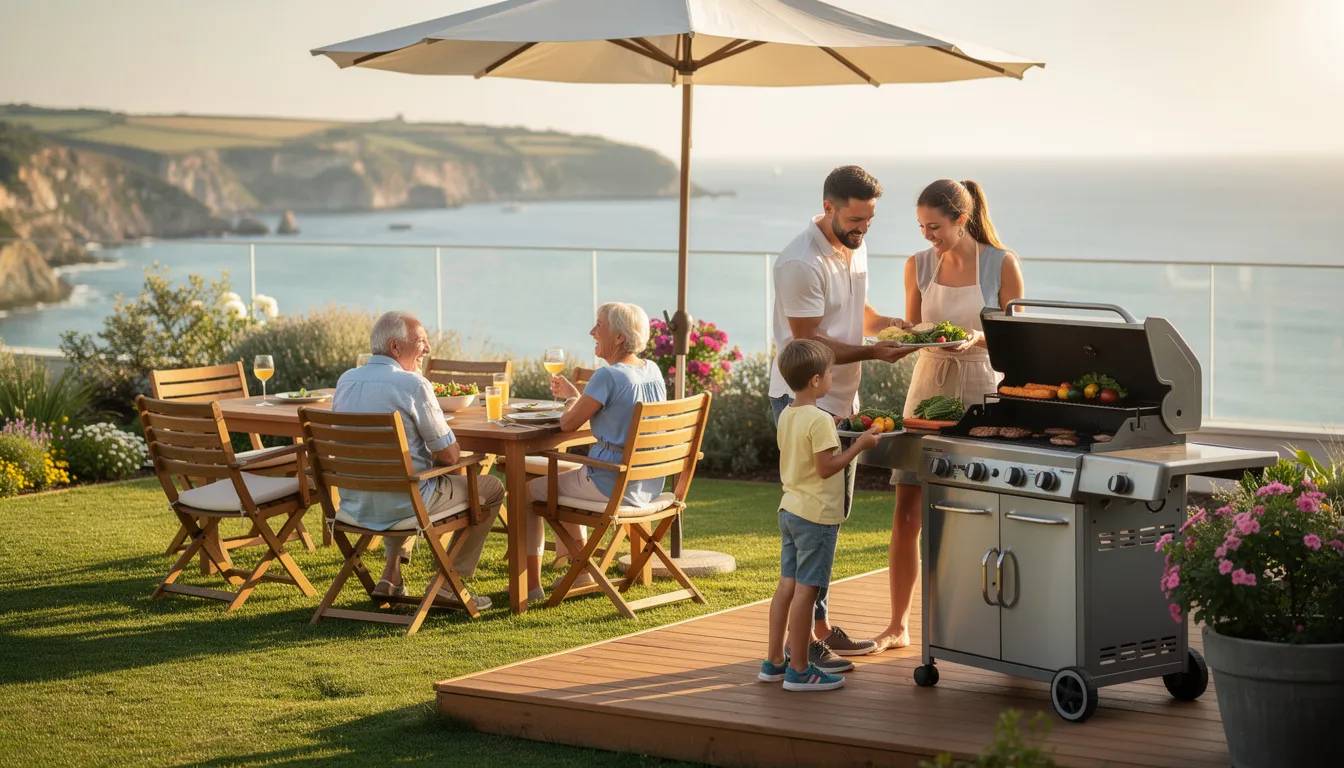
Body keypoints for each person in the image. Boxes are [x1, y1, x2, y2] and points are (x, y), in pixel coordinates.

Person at [769, 164, 916, 668]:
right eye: (856, 218)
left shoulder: (852, 245)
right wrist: (875, 354)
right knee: (813, 517)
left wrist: (887, 324)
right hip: (807, 401)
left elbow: (852, 307)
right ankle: (805, 643)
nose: (864, 228)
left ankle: (818, 630)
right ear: (828, 206)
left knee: (830, 517)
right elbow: (810, 342)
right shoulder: (799, 263)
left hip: (842, 401)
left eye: (870, 219)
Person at [872, 179, 1026, 652]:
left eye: (935, 226)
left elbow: (1016, 342)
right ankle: (898, 625)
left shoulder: (1001, 263)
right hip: (928, 385)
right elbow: (919, 328)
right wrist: (901, 334)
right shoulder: (917, 265)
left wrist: (977, 339)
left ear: (962, 219)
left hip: (982, 386)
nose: (927, 236)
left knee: (985, 509)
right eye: (921, 226)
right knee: (907, 507)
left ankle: (990, 625)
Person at [332, 310, 505, 611]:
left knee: (404, 475)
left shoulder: (346, 380)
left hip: (354, 504)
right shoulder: (413, 385)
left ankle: (390, 575)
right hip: (407, 505)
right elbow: (450, 455)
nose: (427, 349)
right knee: (489, 487)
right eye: (421, 341)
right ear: (395, 347)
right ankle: (451, 584)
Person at [523, 301, 666, 602]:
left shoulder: (608, 376)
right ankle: (582, 570)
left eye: (599, 326)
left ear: (618, 337)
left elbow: (567, 423)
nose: (592, 331)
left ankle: (530, 587)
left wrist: (571, 402)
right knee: (568, 480)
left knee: (527, 492)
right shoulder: (652, 370)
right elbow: (616, 411)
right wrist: (578, 396)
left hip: (610, 484)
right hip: (648, 483)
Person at [759, 339, 881, 691]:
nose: (831, 377)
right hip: (817, 518)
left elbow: (804, 454)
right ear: (816, 380)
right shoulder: (820, 420)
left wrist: (835, 428)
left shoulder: (788, 415)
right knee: (807, 594)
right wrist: (858, 445)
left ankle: (774, 662)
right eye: (829, 373)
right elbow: (826, 468)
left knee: (786, 587)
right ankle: (800, 668)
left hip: (791, 510)